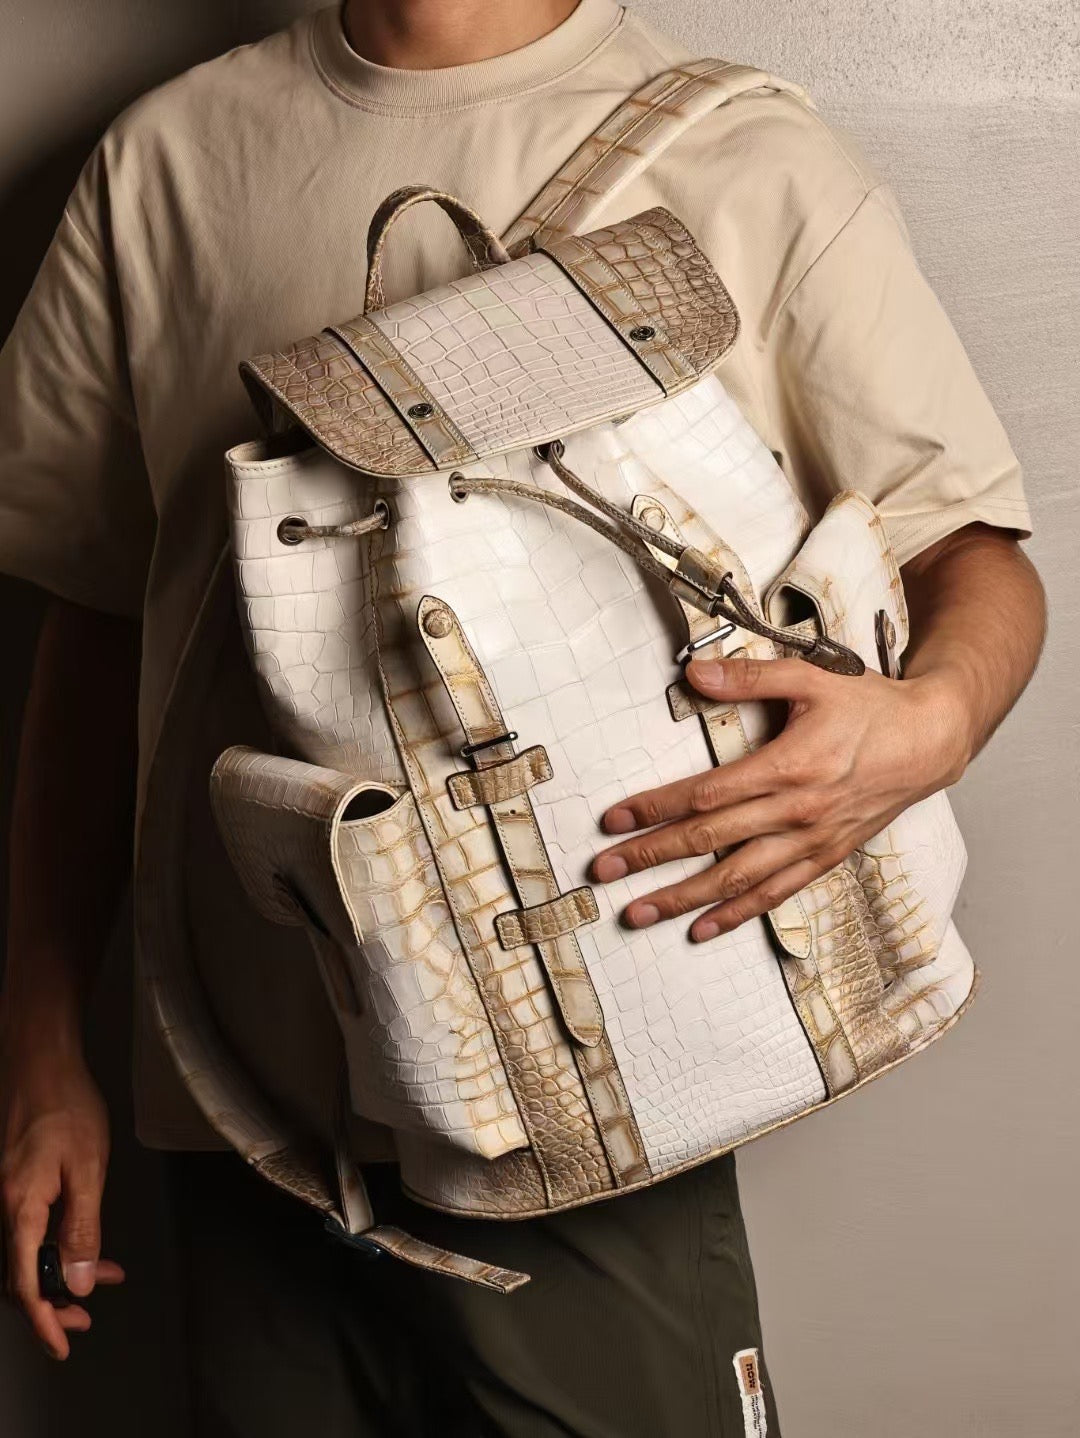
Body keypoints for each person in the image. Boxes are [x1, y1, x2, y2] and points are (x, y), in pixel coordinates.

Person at [0, 1, 1045, 1433]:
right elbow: (99, 626)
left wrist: (932, 724)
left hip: (605, 1107)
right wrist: (43, 1058)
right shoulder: (161, 164)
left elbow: (968, 553)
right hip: (250, 1126)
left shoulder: (746, 154)